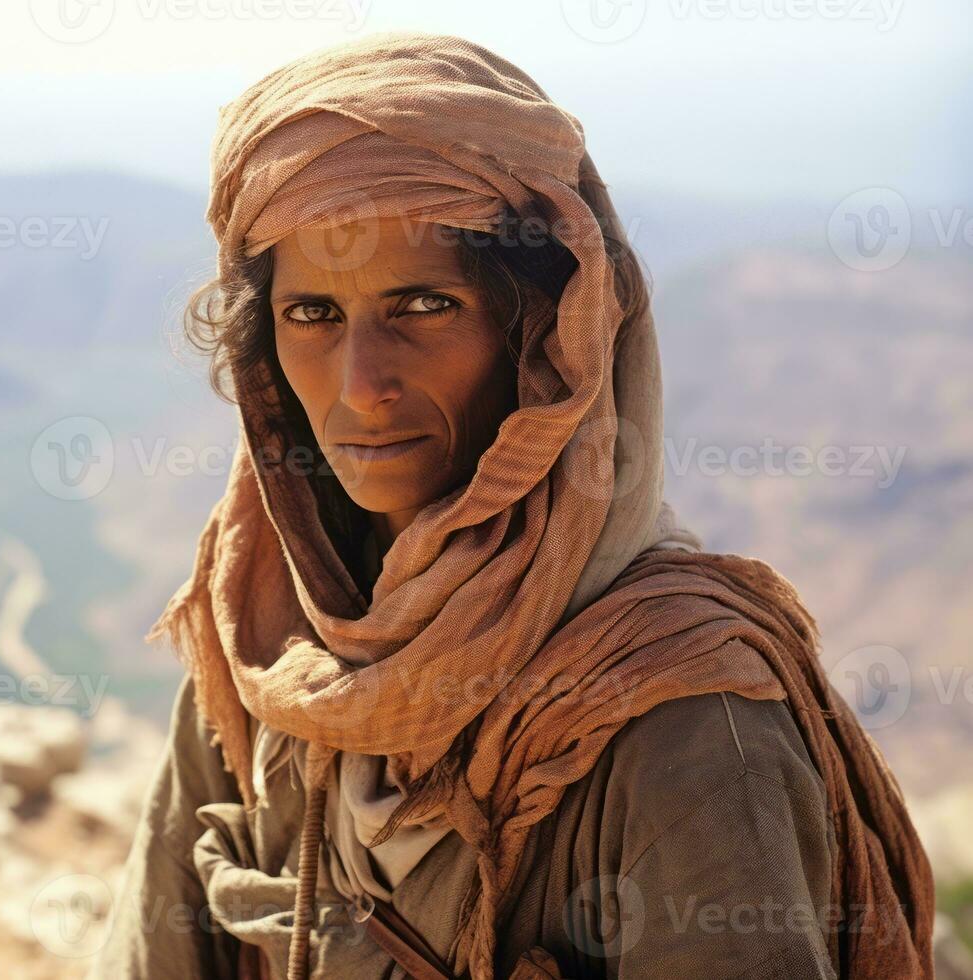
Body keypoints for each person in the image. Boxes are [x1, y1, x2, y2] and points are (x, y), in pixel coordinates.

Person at [92, 31, 933, 979]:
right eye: (312, 315)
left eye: (422, 306)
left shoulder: (684, 719)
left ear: (544, 337)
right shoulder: (263, 630)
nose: (360, 384)